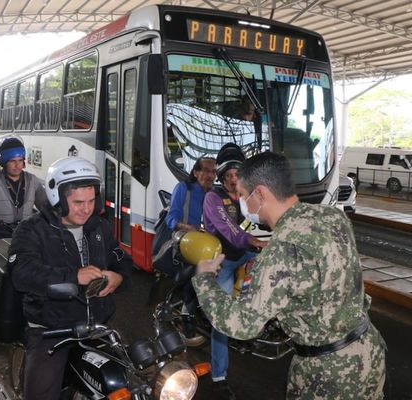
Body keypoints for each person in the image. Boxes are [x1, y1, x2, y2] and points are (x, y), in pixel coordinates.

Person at [193, 152, 386, 400]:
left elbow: (241, 325)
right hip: (369, 352)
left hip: (328, 376)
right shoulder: (333, 217)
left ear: (260, 195)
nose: (241, 202)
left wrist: (204, 280)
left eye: (242, 195)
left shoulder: (279, 253)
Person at [9, 156, 132, 400]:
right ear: (58, 198)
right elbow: (22, 273)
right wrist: (74, 276)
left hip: (97, 328)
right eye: (77, 202)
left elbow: (122, 259)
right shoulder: (33, 229)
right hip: (51, 331)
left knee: (127, 383)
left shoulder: (99, 227)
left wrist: (118, 277)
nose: (86, 209)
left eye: (90, 201)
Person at [201, 144, 268, 399]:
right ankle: (219, 376)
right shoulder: (213, 198)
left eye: (237, 173)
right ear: (221, 176)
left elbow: (266, 216)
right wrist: (254, 241)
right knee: (222, 320)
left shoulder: (247, 196)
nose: (232, 179)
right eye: (228, 174)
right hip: (224, 260)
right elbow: (228, 228)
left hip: (244, 254)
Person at [0, 135, 46, 352]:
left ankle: (26, 327)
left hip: (25, 235)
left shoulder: (33, 181)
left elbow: (45, 207)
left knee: (34, 280)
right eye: (13, 161)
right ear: (3, 162)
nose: (18, 165)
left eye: (21, 160)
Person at [163, 156, 216, 345]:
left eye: (213, 172)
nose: (210, 175)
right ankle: (187, 320)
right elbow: (171, 220)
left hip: (204, 242)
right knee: (197, 272)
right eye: (206, 171)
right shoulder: (184, 188)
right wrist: (189, 228)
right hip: (183, 241)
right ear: (196, 172)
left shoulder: (214, 194)